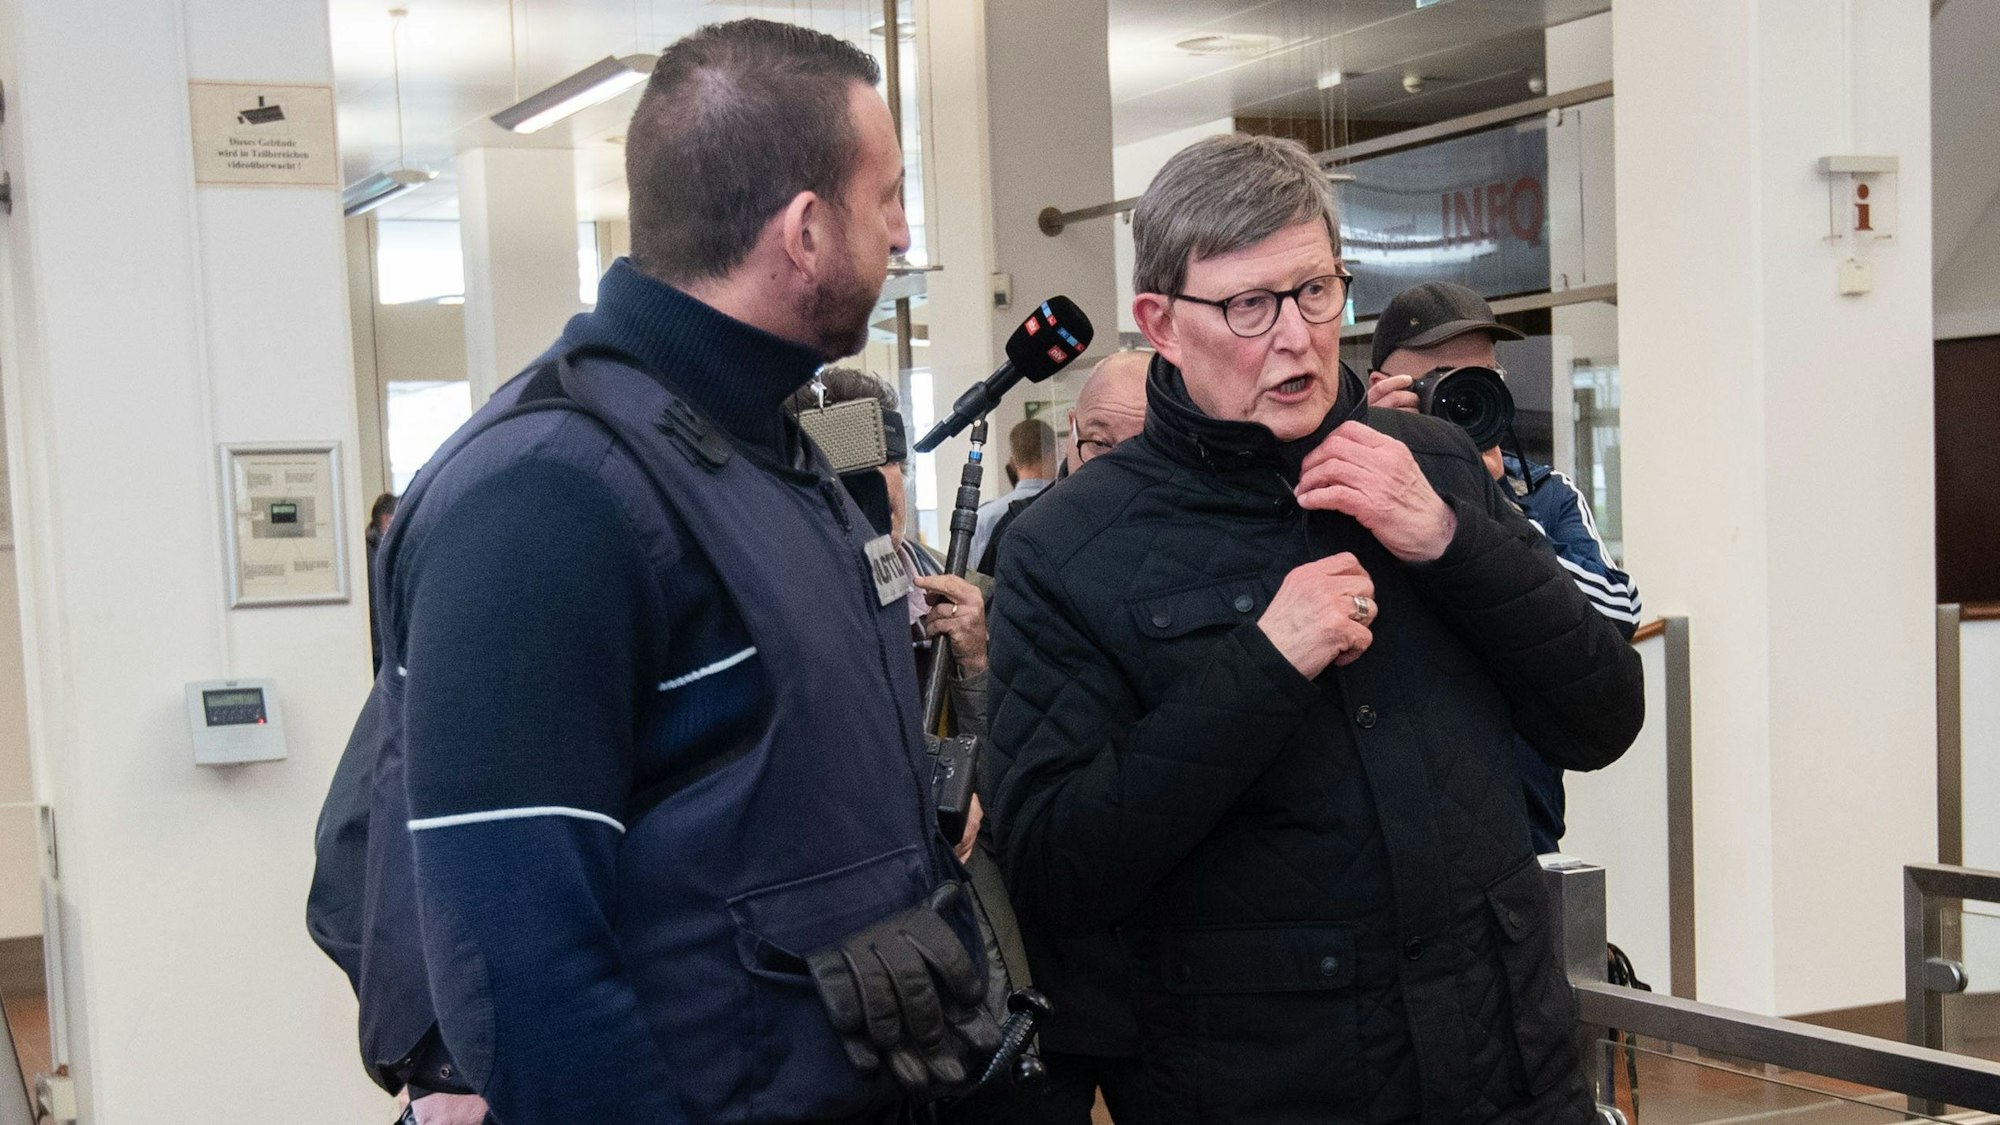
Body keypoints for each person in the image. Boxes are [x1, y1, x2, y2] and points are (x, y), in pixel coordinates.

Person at [310, 19, 994, 1125]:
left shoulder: (769, 456)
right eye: (889, 197)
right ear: (805, 230)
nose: (904, 233)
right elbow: (522, 968)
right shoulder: (548, 496)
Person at [984, 133, 1645, 1124]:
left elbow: (1601, 716)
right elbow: (1053, 867)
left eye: (1315, 293)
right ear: (1159, 322)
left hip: (1504, 1067)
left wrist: (1452, 542)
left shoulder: (1433, 463)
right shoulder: (1067, 545)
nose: (1294, 338)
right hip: (1261, 1082)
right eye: (1248, 305)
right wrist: (1261, 665)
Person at [1367, 280, 1643, 853]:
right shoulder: (1353, 489)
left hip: (1525, 830)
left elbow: (1618, 616)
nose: (1465, 397)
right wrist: (1380, 441)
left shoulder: (1543, 493)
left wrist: (1497, 508)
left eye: (1484, 378)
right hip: (1396, 839)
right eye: (1441, 380)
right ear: (1385, 389)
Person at [977, 353, 1149, 578]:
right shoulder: (1023, 529)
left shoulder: (1195, 525)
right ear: (1072, 428)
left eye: (1142, 448)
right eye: (1099, 443)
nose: (1117, 468)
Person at [969, 419, 1056, 569]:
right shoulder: (1063, 507)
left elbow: (970, 579)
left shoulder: (983, 517)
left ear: (1013, 462)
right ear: (1053, 454)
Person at [363, 491, 397, 673]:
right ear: (387, 520)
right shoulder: (377, 556)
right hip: (382, 649)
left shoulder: (368, 548)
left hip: (379, 648)